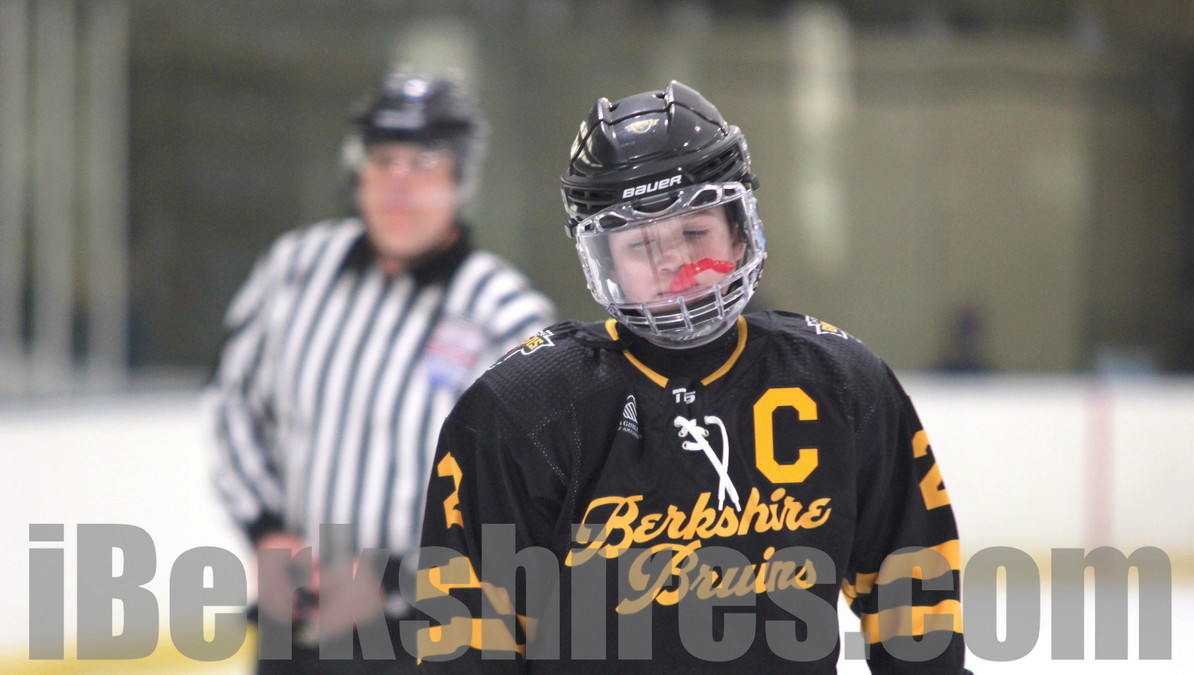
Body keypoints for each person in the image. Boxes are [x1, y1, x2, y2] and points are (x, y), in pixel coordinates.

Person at [413, 81, 968, 672]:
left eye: (694, 232)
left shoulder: (843, 383)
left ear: (739, 229)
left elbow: (916, 597)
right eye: (639, 244)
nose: (673, 261)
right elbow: (465, 637)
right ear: (605, 262)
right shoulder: (522, 408)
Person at [206, 70, 554, 672]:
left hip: (434, 634)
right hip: (300, 619)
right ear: (357, 171)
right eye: (383, 160)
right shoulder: (297, 268)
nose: (398, 184)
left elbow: (529, 490)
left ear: (461, 180)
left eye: (423, 163)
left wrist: (401, 574)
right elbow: (234, 404)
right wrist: (267, 532)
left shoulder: (506, 313)